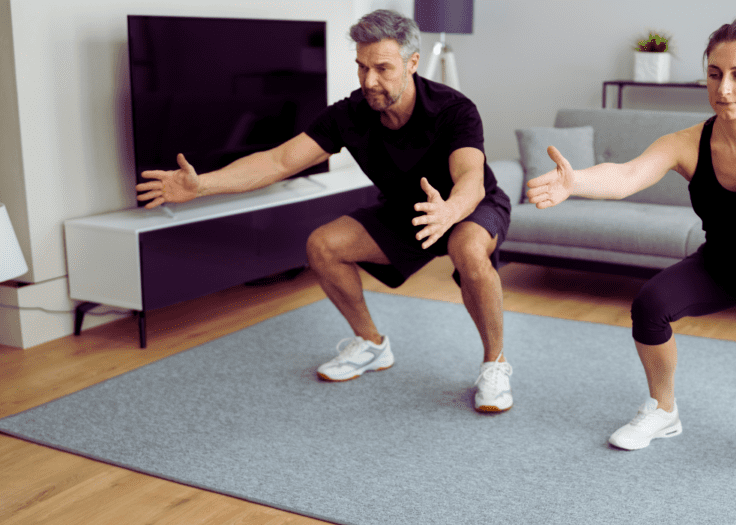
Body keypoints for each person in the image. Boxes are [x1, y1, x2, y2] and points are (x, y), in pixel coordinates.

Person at [135, 10, 515, 413]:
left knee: (469, 248)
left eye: (383, 68)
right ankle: (371, 344)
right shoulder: (350, 114)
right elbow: (279, 161)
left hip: (469, 205)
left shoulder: (454, 109)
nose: (370, 80)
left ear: (412, 63)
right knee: (324, 245)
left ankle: (495, 364)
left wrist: (450, 211)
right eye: (362, 67)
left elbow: (471, 176)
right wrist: (203, 185)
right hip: (404, 211)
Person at [526, 18, 736, 486]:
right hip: (720, 265)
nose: (725, 87)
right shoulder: (687, 143)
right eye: (715, 74)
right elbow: (628, 175)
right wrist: (576, 182)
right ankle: (663, 410)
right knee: (649, 306)